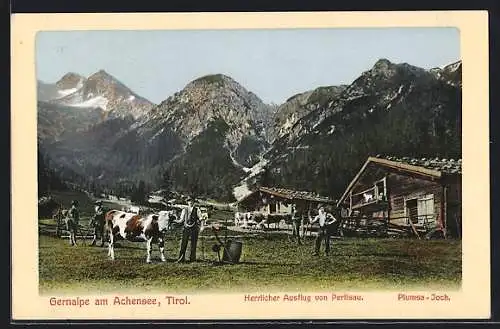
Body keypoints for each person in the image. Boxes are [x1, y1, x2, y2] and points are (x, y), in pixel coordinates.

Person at [176, 197, 203, 263]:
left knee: (193, 244)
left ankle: (192, 259)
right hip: (186, 228)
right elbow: (181, 220)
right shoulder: (184, 210)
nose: (190, 202)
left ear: (194, 202)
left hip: (194, 228)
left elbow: (201, 219)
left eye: (192, 201)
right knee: (184, 243)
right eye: (189, 201)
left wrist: (202, 227)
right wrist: (174, 221)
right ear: (187, 202)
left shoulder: (197, 210)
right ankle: (181, 259)